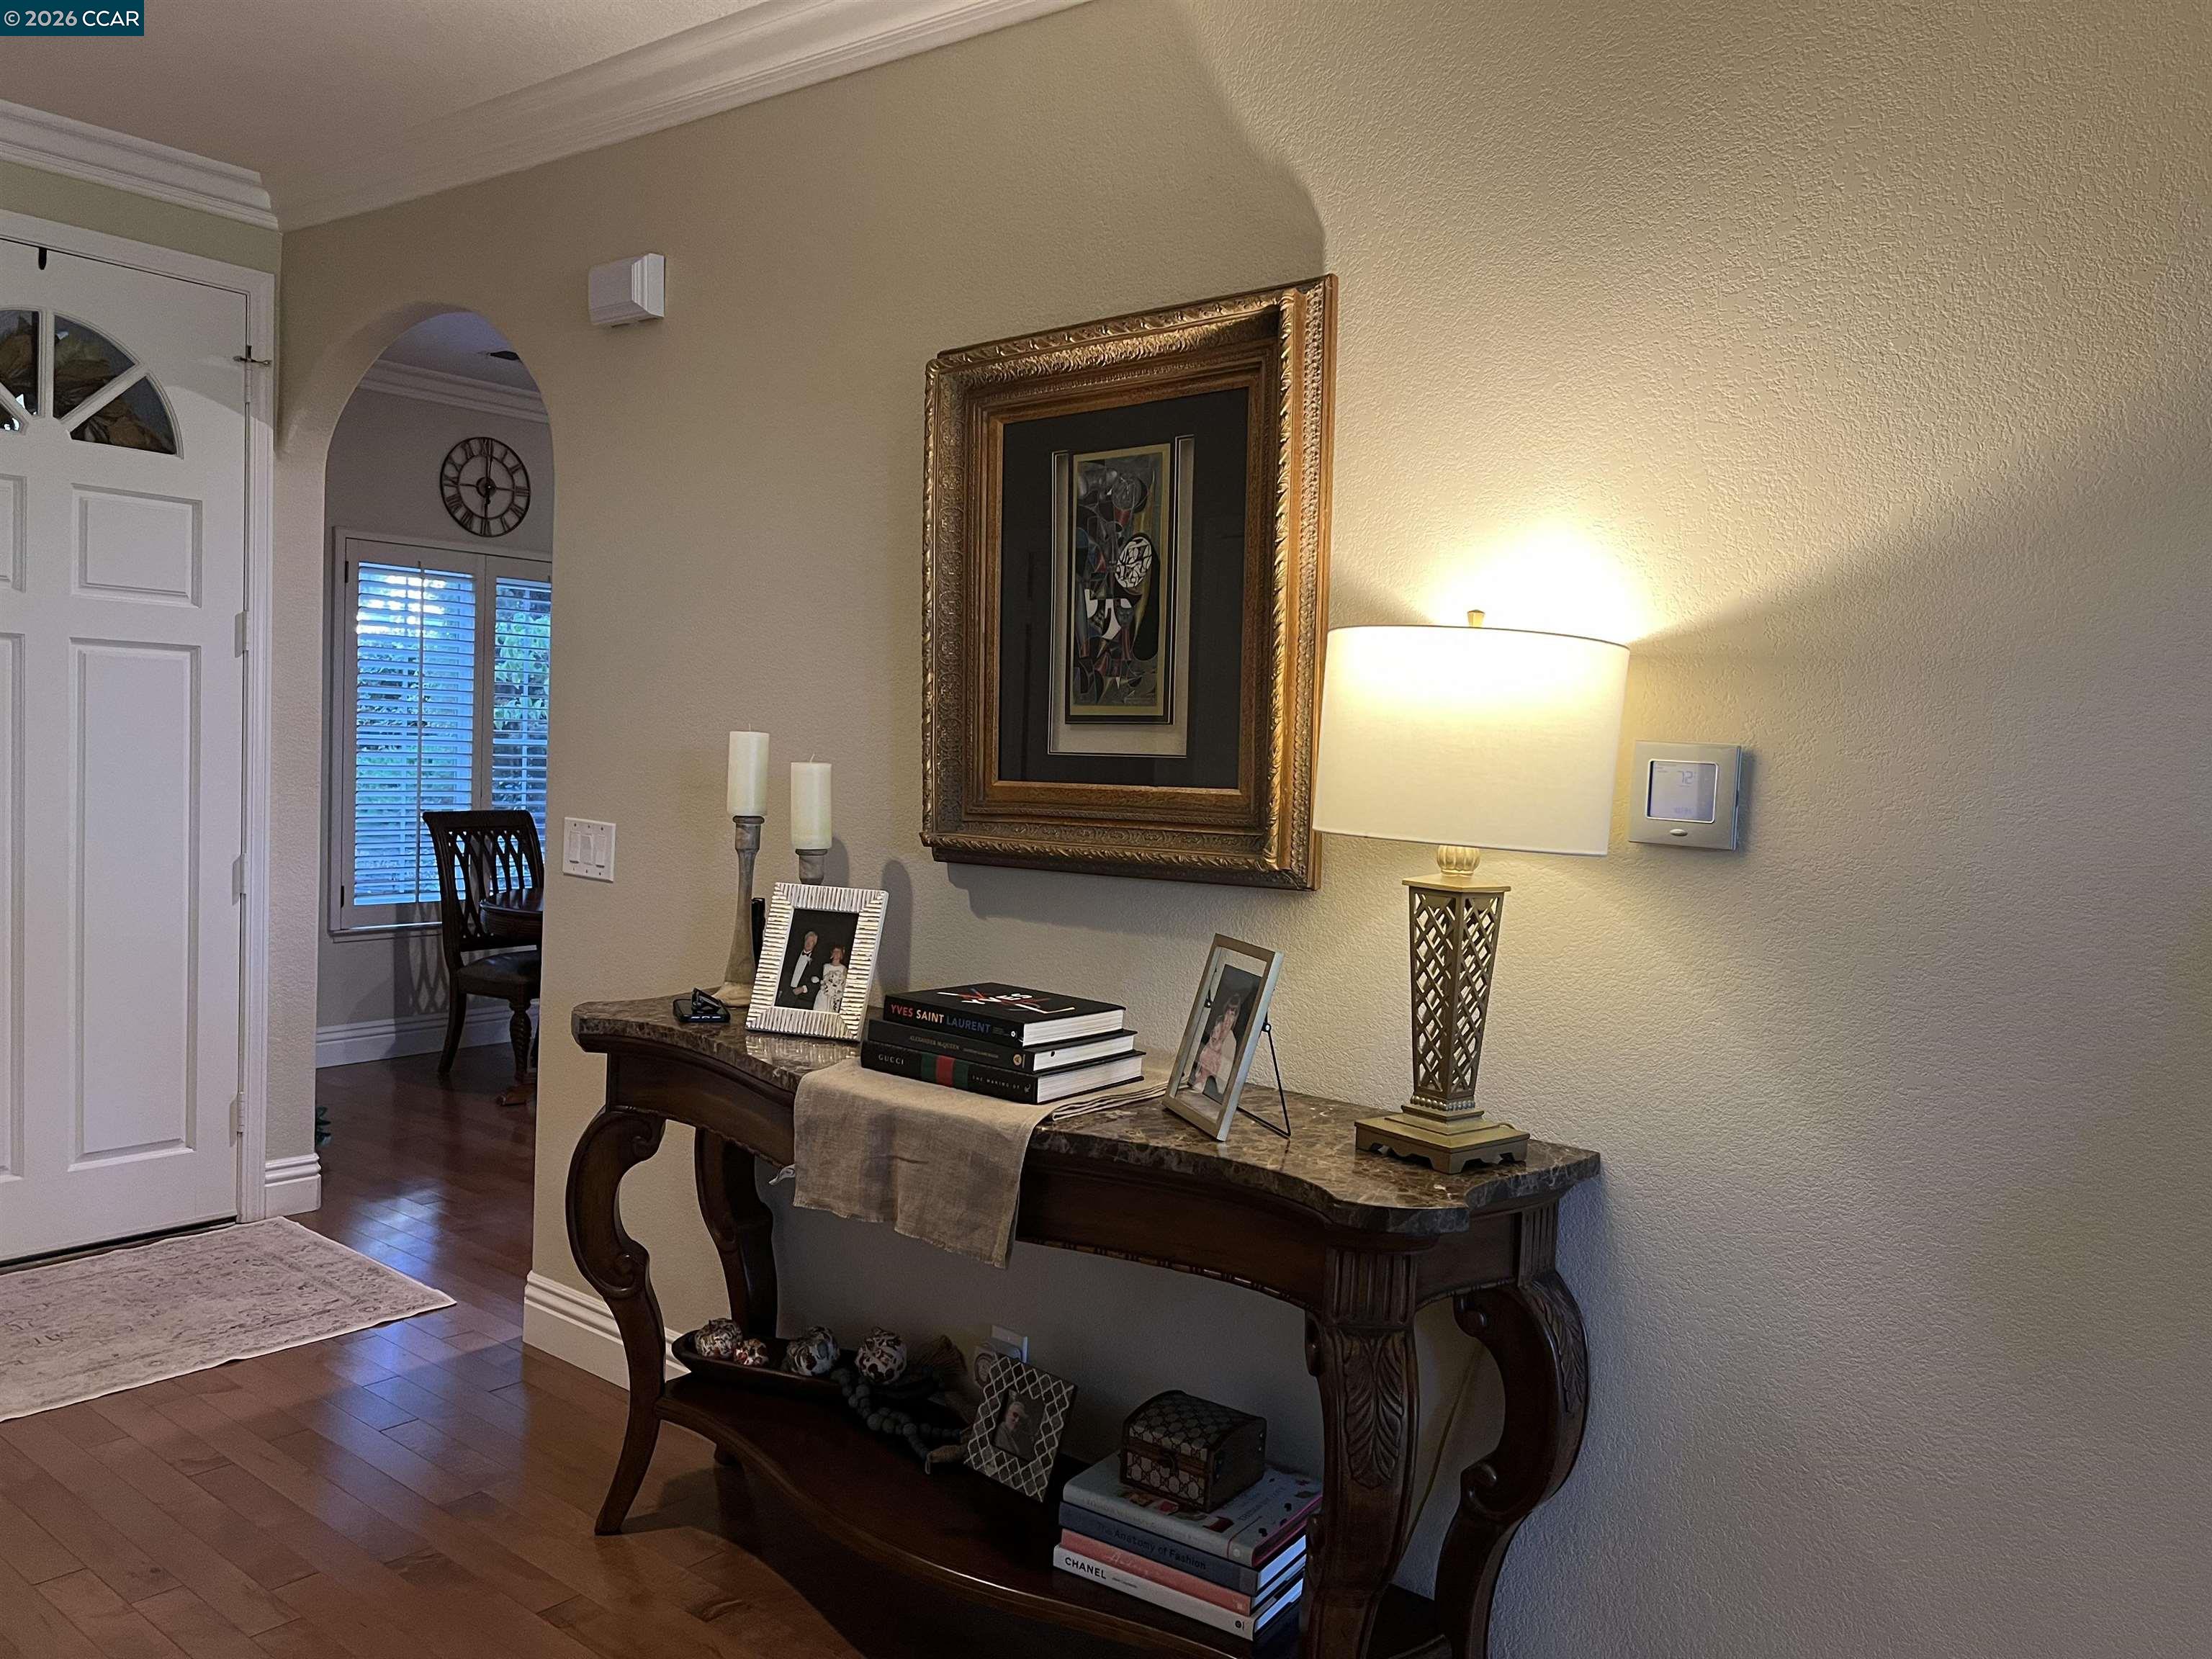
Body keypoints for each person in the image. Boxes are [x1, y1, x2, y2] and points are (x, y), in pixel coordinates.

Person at [1183, 993, 1244, 1102]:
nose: (1228, 1018)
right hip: (1200, 1078)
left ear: (1235, 1018)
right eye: (1228, 1013)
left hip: (1213, 1087)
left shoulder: (1231, 1041)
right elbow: (1205, 1051)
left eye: (1232, 1015)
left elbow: (1225, 1071)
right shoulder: (1216, 1029)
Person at [783, 930, 822, 1006]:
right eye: (807, 940)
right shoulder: (793, 955)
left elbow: (816, 981)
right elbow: (786, 971)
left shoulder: (817, 962)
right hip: (786, 992)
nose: (808, 943)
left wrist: (803, 988)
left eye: (811, 941)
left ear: (814, 944)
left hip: (801, 997)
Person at [813, 943, 848, 1012]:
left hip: (835, 997)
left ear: (841, 955)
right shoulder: (826, 966)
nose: (836, 953)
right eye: (835, 951)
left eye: (839, 952)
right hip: (823, 995)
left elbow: (844, 984)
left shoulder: (843, 968)